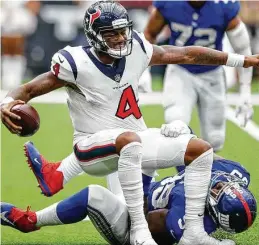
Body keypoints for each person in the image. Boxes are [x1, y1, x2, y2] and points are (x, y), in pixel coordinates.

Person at [1, 1, 259, 245]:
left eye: (123, 31)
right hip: (91, 147)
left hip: (131, 141)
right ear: (94, 35)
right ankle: (138, 230)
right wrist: (6, 104)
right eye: (112, 34)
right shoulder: (76, 63)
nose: (122, 39)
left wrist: (240, 60)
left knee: (200, 150)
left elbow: (186, 54)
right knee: (130, 141)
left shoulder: (136, 48)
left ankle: (193, 232)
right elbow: (29, 88)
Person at [1, 157, 257, 245]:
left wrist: (143, 176)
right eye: (224, 185)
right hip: (143, 193)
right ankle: (58, 172)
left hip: (134, 222)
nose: (218, 183)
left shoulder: (188, 218)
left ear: (213, 211)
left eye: (218, 191)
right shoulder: (236, 175)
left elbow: (144, 218)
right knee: (118, 142)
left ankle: (30, 220)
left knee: (94, 194)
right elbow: (191, 156)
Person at [144, 0, 254, 152]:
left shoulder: (223, 6)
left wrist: (245, 90)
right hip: (180, 70)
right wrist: (144, 71)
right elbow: (150, 33)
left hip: (212, 73)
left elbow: (242, 48)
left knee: (215, 139)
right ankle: (183, 174)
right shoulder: (169, 4)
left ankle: (207, 173)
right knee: (175, 125)